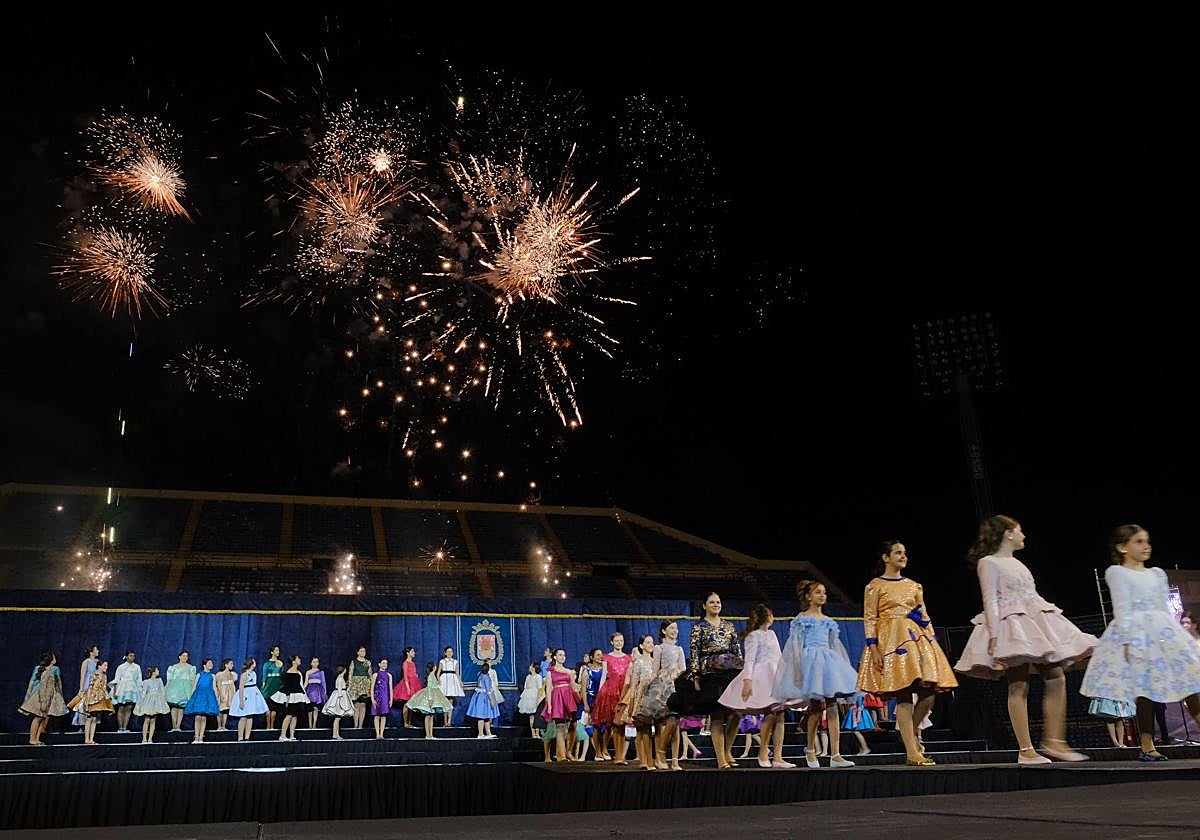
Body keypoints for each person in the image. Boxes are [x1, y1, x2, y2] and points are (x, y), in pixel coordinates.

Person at [954, 516, 1096, 763]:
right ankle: (1026, 750)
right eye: (1020, 531)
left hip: (1033, 621)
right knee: (1018, 684)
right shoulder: (988, 562)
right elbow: (990, 599)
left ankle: (1054, 741)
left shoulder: (1018, 564)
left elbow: (1030, 595)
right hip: (1011, 625)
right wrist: (996, 635)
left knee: (1056, 675)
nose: (1024, 536)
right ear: (1008, 533)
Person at [1081, 525, 1200, 761]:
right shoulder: (1117, 572)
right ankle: (1147, 746)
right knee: (1146, 692)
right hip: (1137, 634)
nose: (1146, 546)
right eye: (1138, 541)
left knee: (1188, 686)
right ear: (1122, 547)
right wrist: (1127, 641)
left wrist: (1173, 636)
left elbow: (1161, 608)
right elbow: (1122, 607)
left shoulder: (1157, 573)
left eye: (1147, 541)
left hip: (1162, 632)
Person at [856, 540, 957, 766]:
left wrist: (933, 643)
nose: (903, 556)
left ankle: (909, 733)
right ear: (885, 557)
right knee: (903, 696)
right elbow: (870, 617)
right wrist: (874, 648)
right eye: (898, 553)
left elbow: (924, 613)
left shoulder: (914, 585)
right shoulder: (875, 586)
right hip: (891, 640)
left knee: (929, 691)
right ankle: (912, 752)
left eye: (904, 553)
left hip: (916, 639)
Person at [773, 582, 860, 768]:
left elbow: (834, 645)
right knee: (815, 708)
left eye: (824, 592)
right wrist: (797, 669)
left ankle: (835, 754)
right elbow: (795, 645)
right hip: (810, 662)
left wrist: (841, 668)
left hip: (827, 662)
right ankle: (810, 750)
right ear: (808, 596)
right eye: (818, 592)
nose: (822, 595)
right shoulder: (802, 619)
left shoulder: (828, 621)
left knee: (833, 706)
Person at [671, 592, 744, 768]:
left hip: (730, 672)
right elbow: (694, 653)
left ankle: (727, 751)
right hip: (710, 674)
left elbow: (737, 650)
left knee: (737, 713)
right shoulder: (699, 627)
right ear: (704, 605)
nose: (716, 604)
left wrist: (742, 671)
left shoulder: (729, 626)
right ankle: (721, 759)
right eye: (712, 602)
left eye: (718, 602)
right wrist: (696, 676)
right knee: (717, 714)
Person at [638, 622, 687, 771]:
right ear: (664, 631)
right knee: (661, 723)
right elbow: (655, 670)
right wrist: (645, 687)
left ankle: (674, 761)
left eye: (676, 628)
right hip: (660, 688)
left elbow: (683, 668)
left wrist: (676, 674)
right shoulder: (659, 648)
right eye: (671, 628)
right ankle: (660, 755)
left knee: (675, 723)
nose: (674, 631)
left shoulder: (679, 649)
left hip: (674, 687)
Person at [18, 652, 67, 745]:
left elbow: (58, 684)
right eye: (54, 657)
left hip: (49, 695)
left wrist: (58, 696)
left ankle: (37, 738)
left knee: (43, 717)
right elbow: (32, 682)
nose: (55, 658)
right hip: (38, 695)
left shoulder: (55, 669)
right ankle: (32, 739)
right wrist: (28, 696)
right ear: (50, 659)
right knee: (38, 717)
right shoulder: (40, 669)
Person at [68, 658, 114, 745]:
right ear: (99, 666)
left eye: (107, 666)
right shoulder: (95, 674)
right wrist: (88, 700)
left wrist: (107, 698)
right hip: (92, 698)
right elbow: (91, 687)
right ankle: (87, 739)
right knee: (89, 718)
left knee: (94, 719)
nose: (106, 667)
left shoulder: (104, 676)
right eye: (104, 665)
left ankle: (91, 739)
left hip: (100, 698)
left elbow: (104, 688)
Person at [408, 662, 453, 739]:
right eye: (435, 666)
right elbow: (429, 688)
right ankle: (428, 734)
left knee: (431, 716)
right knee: (428, 716)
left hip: (433, 696)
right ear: (434, 667)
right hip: (430, 697)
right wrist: (430, 699)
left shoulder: (433, 675)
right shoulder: (431, 676)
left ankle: (430, 734)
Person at [229, 657, 268, 742]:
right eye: (254, 662)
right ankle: (240, 737)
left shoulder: (254, 674)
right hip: (246, 695)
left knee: (250, 717)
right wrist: (241, 701)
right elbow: (241, 687)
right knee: (243, 717)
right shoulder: (244, 674)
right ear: (251, 663)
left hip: (253, 695)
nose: (255, 663)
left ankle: (247, 737)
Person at [183, 658, 221, 743]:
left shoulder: (212, 676)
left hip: (208, 696)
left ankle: (201, 738)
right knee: (198, 717)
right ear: (205, 665)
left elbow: (214, 687)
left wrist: (217, 698)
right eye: (209, 663)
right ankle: (196, 737)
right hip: (199, 696)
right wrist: (191, 698)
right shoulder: (199, 674)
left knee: (204, 717)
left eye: (211, 663)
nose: (211, 664)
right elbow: (194, 686)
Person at [133, 665, 168, 743]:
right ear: (153, 672)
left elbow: (162, 691)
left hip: (156, 701)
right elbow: (144, 693)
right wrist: (141, 703)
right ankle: (144, 738)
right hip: (148, 701)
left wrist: (161, 700)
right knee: (147, 719)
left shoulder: (159, 680)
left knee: (153, 720)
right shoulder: (146, 681)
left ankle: (150, 738)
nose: (158, 671)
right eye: (157, 670)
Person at [110, 651, 142, 733]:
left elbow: (139, 679)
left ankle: (125, 727)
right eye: (130, 656)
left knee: (129, 707)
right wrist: (115, 691)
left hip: (132, 689)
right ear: (126, 657)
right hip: (123, 689)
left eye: (134, 656)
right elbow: (117, 679)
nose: (132, 657)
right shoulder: (121, 667)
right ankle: (120, 728)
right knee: (121, 707)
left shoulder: (137, 667)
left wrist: (140, 691)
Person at [164, 651, 196, 732]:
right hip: (174, 689)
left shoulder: (190, 668)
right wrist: (166, 689)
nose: (185, 657)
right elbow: (169, 680)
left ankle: (178, 726)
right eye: (183, 656)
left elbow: (192, 680)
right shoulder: (173, 667)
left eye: (186, 656)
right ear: (179, 657)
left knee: (181, 708)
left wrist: (192, 690)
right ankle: (174, 726)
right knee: (174, 707)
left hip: (185, 689)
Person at [468, 661, 501, 739]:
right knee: (482, 716)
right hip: (484, 698)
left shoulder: (480, 675)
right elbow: (488, 690)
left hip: (480, 696)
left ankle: (488, 733)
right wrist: (492, 701)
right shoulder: (486, 677)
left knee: (486, 716)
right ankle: (480, 733)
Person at [436, 646, 466, 727]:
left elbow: (457, 673)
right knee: (444, 702)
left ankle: (449, 721)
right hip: (444, 680)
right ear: (445, 653)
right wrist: (438, 681)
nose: (449, 653)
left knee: (450, 702)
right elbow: (438, 673)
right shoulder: (442, 661)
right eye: (448, 652)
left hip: (452, 681)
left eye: (451, 652)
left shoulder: (455, 662)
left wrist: (460, 682)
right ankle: (444, 721)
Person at [322, 665, 354, 739]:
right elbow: (339, 690)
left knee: (338, 718)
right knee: (337, 718)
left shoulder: (341, 678)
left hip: (341, 695)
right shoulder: (340, 678)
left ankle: (336, 734)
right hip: (339, 697)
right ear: (344, 670)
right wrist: (341, 700)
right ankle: (335, 734)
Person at [348, 646, 373, 730]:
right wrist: (350, 686)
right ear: (358, 652)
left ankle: (360, 725)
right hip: (356, 686)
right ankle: (355, 725)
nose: (363, 652)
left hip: (365, 686)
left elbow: (370, 674)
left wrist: (370, 686)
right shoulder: (354, 662)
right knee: (356, 705)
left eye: (364, 651)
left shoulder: (368, 662)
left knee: (363, 705)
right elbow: (350, 674)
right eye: (361, 651)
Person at [518, 661, 544, 738]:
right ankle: (533, 733)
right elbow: (526, 687)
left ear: (534, 668)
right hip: (528, 696)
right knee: (531, 716)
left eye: (531, 666)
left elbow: (540, 689)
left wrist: (538, 699)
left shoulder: (538, 677)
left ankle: (537, 733)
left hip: (535, 696)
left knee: (537, 716)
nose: (529, 667)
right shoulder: (528, 677)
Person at [304, 658, 328, 730]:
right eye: (313, 662)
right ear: (311, 663)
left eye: (316, 662)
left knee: (316, 707)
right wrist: (303, 689)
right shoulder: (308, 672)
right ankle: (310, 724)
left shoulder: (321, 672)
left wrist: (324, 692)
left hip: (318, 690)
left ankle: (314, 724)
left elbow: (323, 682)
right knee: (310, 708)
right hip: (310, 690)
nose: (315, 663)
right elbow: (306, 682)